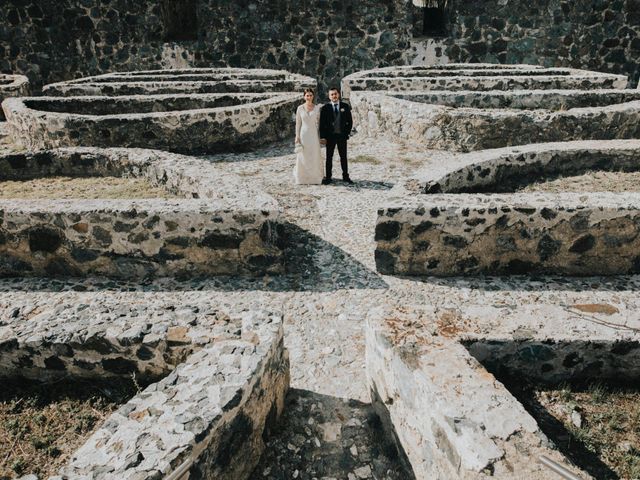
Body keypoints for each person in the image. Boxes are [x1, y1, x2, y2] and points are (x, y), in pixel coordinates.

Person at [319, 87, 353, 185]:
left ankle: (346, 176)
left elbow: (349, 121)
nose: (334, 96)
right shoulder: (325, 108)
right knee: (329, 157)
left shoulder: (345, 106)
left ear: (338, 94)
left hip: (342, 136)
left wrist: (346, 133)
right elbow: (322, 124)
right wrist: (322, 137)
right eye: (332, 94)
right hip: (330, 137)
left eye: (335, 94)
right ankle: (328, 177)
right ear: (329, 97)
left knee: (343, 157)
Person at [294, 88, 324, 185]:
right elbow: (298, 123)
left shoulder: (316, 108)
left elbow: (319, 123)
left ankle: (315, 177)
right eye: (307, 95)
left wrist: (321, 136)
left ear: (313, 96)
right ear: (304, 96)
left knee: (314, 154)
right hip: (303, 134)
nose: (309, 97)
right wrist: (297, 136)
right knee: (303, 155)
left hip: (313, 134)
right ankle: (302, 177)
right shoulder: (300, 108)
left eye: (311, 95)